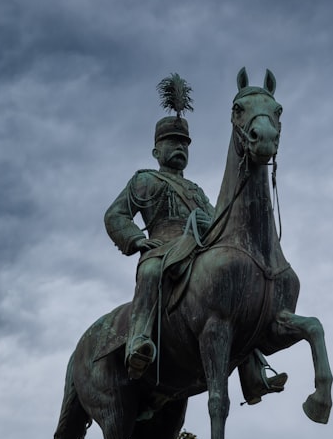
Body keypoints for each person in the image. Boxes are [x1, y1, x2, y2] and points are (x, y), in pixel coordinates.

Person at [104, 111, 286, 402]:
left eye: (184, 144)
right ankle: (138, 341)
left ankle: (253, 374)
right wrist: (137, 239)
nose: (179, 148)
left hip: (198, 248)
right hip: (162, 248)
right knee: (151, 273)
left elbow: (219, 221)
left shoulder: (197, 191)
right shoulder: (144, 180)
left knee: (233, 293)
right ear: (156, 150)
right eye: (172, 142)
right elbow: (115, 216)